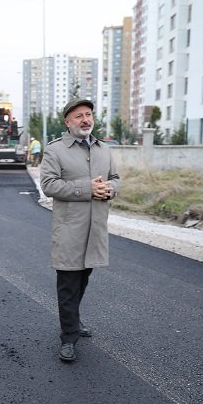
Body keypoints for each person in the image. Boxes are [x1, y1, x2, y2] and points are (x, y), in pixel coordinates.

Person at [40, 98, 120, 363]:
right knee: (68, 285)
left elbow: (116, 179)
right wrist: (88, 188)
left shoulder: (103, 149)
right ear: (68, 122)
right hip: (69, 230)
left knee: (83, 278)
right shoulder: (55, 150)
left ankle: (73, 321)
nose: (85, 119)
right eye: (78, 116)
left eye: (88, 114)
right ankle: (68, 337)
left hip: (95, 228)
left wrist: (110, 189)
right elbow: (49, 185)